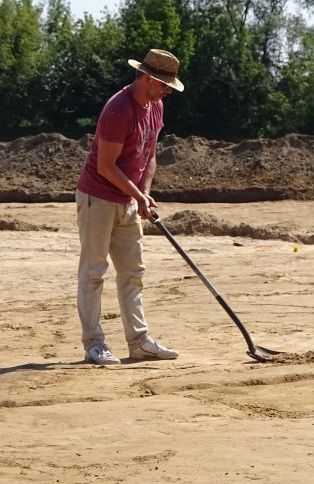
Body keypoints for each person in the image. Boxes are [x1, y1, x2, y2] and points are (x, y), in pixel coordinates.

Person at [75, 49, 184, 365]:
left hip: (128, 200)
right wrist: (138, 196)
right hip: (98, 198)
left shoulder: (155, 106)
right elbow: (107, 167)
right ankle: (94, 344)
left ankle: (139, 343)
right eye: (164, 85)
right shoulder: (118, 110)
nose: (166, 92)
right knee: (94, 272)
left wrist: (145, 193)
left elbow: (149, 156)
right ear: (148, 78)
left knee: (133, 272)